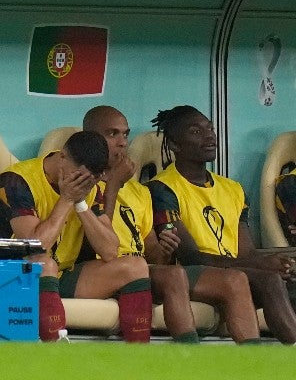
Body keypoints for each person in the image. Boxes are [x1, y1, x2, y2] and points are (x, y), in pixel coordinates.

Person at [83, 106, 260, 343]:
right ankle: (187, 356)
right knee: (169, 275)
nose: (122, 143)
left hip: (139, 269)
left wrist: (164, 249)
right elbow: (99, 247)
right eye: (112, 134)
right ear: (89, 139)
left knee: (176, 272)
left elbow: (153, 255)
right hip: (102, 270)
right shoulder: (82, 184)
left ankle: (252, 363)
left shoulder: (139, 191)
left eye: (125, 135)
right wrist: (113, 183)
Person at [0, 130, 153, 343]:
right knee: (44, 264)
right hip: (3, 273)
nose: (83, 183)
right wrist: (66, 199)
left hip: (61, 273)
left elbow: (109, 251)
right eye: (77, 176)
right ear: (62, 157)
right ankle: (56, 355)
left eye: (89, 180)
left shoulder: (88, 187)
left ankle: (140, 357)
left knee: (136, 266)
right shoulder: (15, 181)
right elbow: (36, 247)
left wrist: (80, 203)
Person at [148, 104, 296, 344]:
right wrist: (262, 269)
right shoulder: (162, 188)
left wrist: (276, 264)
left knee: (282, 277)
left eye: (210, 128)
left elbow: (245, 251)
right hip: (192, 274)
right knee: (267, 280)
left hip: (235, 268)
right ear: (174, 145)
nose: (209, 136)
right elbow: (190, 256)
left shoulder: (233, 189)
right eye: (196, 132)